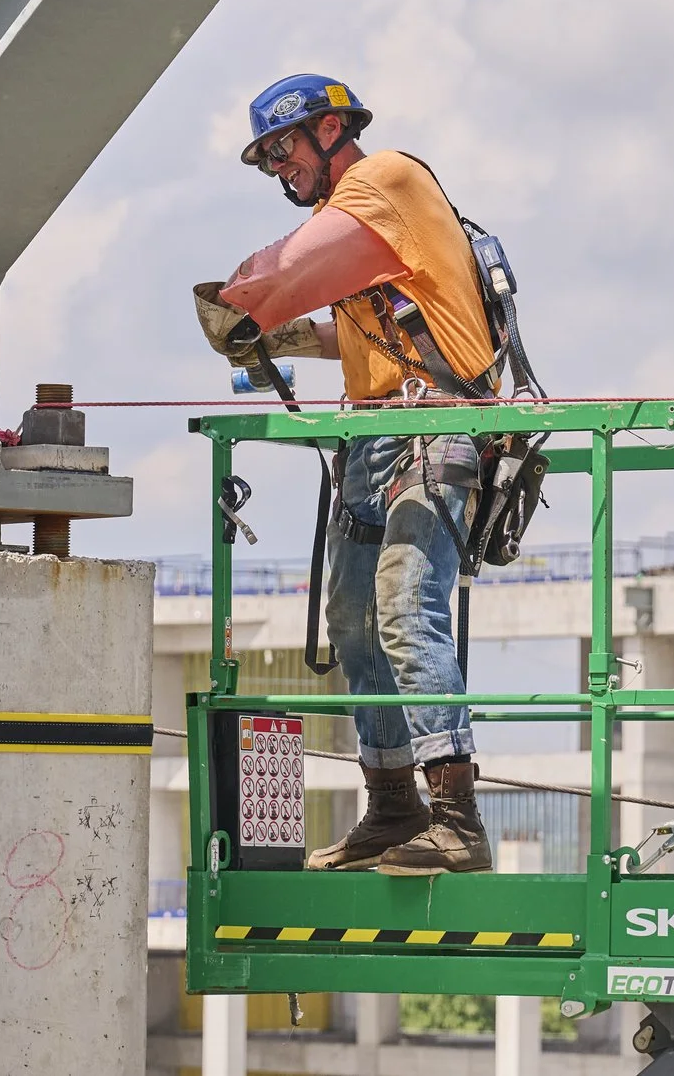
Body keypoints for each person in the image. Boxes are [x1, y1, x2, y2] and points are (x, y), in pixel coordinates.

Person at [194, 74, 500, 875]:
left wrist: (247, 305)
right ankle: (395, 806)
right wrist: (284, 344)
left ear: (331, 130)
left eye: (282, 150)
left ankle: (458, 819)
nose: (277, 171)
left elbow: (287, 267)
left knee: (402, 600)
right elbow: (357, 330)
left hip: (435, 426)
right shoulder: (365, 235)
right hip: (377, 435)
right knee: (353, 618)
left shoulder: (384, 181)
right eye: (265, 161)